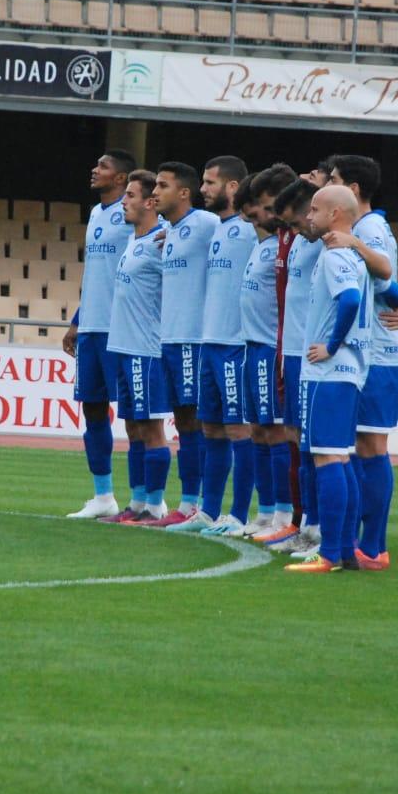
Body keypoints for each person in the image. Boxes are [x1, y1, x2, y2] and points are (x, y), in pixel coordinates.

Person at [324, 155, 398, 570]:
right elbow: (389, 286)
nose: (330, 182)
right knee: (360, 445)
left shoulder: (369, 228)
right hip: (372, 351)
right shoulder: (370, 226)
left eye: (336, 179)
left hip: (379, 353)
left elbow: (384, 274)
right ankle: (360, 541)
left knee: (371, 444)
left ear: (353, 190)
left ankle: (374, 546)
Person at [285, 185, 372, 574]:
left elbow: (350, 300)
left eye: (316, 209)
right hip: (347, 373)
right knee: (340, 456)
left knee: (326, 458)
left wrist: (332, 345)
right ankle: (346, 551)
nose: (309, 216)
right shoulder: (351, 255)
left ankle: (332, 553)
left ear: (336, 214)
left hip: (329, 372)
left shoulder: (337, 255)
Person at [167, 155, 255, 535]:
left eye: (210, 182)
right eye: (202, 182)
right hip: (209, 342)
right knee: (212, 431)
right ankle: (209, 511)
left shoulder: (250, 230)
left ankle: (240, 515)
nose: (203, 190)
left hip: (236, 343)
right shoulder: (217, 228)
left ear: (233, 187)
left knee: (239, 431)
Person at [63, 150, 137, 520]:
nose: (95, 169)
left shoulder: (133, 214)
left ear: (121, 178)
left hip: (121, 327)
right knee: (93, 408)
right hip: (92, 327)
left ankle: (146, 499)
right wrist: (77, 320)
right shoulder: (95, 214)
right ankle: (103, 496)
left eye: (104, 166)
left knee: (136, 415)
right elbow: (96, 273)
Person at [99, 170, 173, 524]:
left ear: (149, 202)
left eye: (130, 196)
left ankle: (157, 505)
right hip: (124, 347)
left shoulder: (164, 239)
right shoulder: (135, 240)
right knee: (133, 428)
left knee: (153, 427)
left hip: (147, 349)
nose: (123, 202)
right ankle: (137, 503)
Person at [150, 162, 219, 526]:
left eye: (162, 185)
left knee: (195, 422)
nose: (154, 192)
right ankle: (190, 501)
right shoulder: (171, 231)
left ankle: (201, 502)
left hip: (193, 338)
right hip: (170, 338)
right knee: (183, 421)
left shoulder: (207, 224)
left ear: (184, 193)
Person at [259, 177, 324, 554]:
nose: (294, 231)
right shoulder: (301, 240)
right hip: (294, 352)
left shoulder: (331, 243)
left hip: (313, 355)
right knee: (299, 443)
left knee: (316, 447)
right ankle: (305, 523)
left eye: (297, 222)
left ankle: (317, 526)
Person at [232, 163, 298, 539]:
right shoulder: (263, 246)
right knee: (258, 430)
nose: (263, 212)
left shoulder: (285, 246)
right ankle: (266, 510)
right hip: (251, 348)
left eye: (267, 204)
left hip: (272, 349)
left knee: (275, 432)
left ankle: (283, 514)